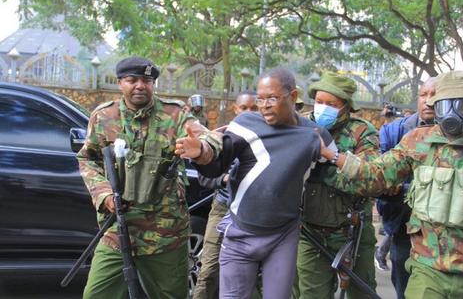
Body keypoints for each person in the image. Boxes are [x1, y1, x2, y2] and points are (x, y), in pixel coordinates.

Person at [321, 71, 463, 299]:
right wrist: (331, 155)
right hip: (428, 271)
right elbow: (375, 175)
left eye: (458, 104)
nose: (450, 112)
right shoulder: (419, 141)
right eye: (442, 105)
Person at [175, 67, 337, 299]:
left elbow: (331, 174)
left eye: (272, 98)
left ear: (292, 97)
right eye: (260, 99)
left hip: (283, 235)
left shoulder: (314, 135)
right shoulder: (246, 124)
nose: (264, 105)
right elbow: (218, 160)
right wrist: (201, 152)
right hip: (240, 232)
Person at [77, 56, 202, 299]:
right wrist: (104, 195)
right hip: (118, 228)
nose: (140, 86)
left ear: (153, 83)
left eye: (146, 80)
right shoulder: (104, 117)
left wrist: (203, 148)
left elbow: (205, 137)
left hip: (166, 235)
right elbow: (87, 159)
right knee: (96, 295)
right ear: (120, 82)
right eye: (132, 80)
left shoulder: (174, 114)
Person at [295, 72, 379, 299]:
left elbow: (368, 180)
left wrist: (325, 165)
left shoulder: (363, 132)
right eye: (320, 102)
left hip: (351, 233)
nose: (323, 108)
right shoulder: (301, 124)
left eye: (331, 104)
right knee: (310, 294)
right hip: (309, 231)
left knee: (361, 293)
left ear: (346, 106)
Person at [193, 90, 258, 299]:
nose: (249, 112)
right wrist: (223, 179)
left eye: (254, 108)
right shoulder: (221, 136)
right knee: (209, 269)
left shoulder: (265, 139)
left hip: (254, 213)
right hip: (223, 207)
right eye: (244, 108)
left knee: (253, 275)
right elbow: (203, 177)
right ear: (235, 109)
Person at [374, 78, 436, 298]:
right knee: (402, 279)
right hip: (402, 222)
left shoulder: (458, 135)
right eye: (423, 95)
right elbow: (378, 172)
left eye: (434, 94)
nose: (428, 101)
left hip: (441, 232)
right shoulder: (393, 131)